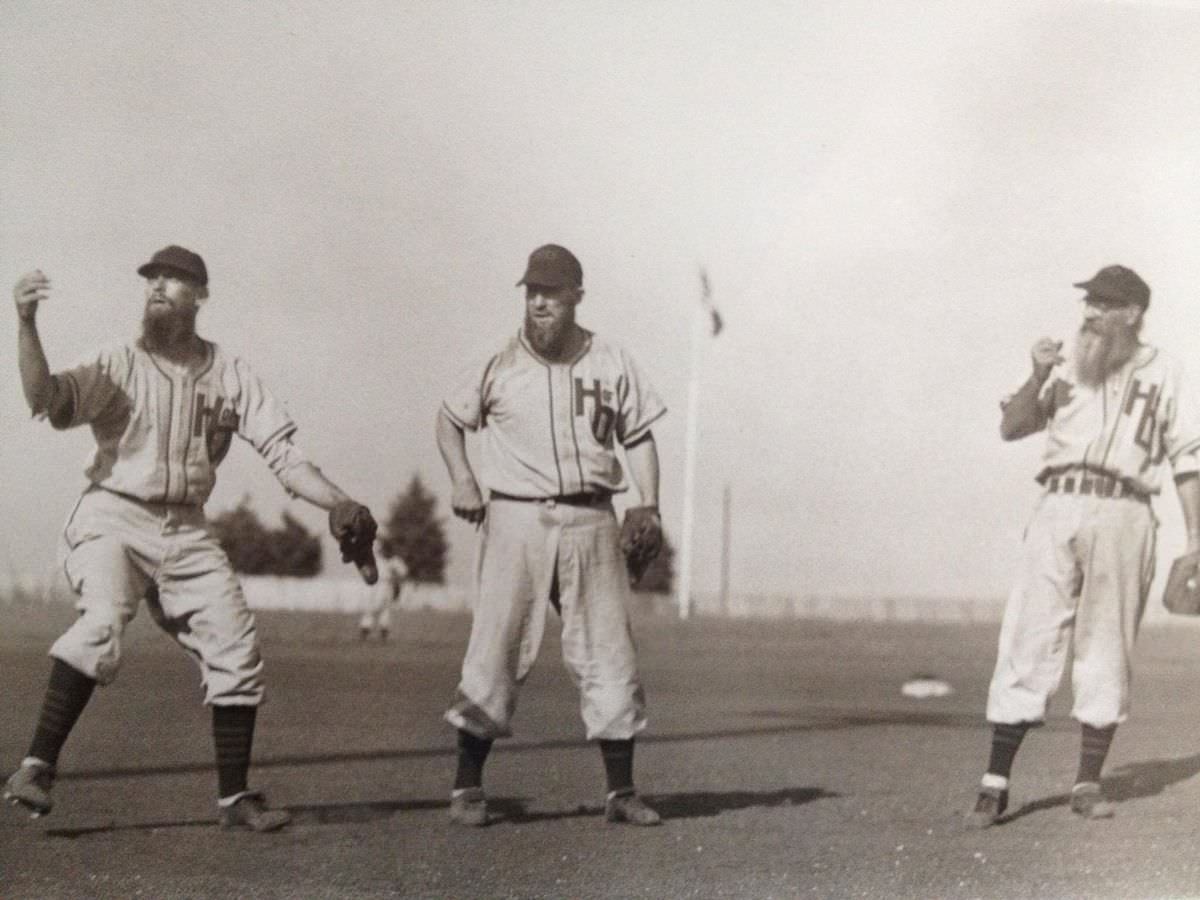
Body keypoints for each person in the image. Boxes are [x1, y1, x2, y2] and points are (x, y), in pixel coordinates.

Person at [4, 246, 379, 832]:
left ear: (200, 295)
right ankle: (36, 767)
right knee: (102, 622)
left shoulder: (230, 374)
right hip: (112, 515)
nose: (157, 286)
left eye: (173, 279)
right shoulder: (118, 361)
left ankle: (235, 799)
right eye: (151, 278)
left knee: (237, 647)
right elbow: (44, 399)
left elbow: (284, 454)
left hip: (186, 527)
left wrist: (341, 501)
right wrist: (26, 325)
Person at [435, 244, 667, 827]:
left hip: (593, 517)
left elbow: (638, 437)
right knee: (496, 647)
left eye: (552, 293)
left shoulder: (612, 360)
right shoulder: (498, 360)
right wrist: (463, 478)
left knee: (609, 650)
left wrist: (650, 503)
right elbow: (448, 419)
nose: (538, 302)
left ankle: (622, 792)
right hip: (516, 516)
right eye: (531, 292)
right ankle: (467, 787)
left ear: (576, 298)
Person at [967, 264, 1200, 828]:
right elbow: (1012, 427)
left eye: (1103, 303)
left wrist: (1196, 540)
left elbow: (1187, 458)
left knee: (1107, 647)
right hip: (1059, 501)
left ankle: (1088, 782)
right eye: (1088, 302)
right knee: (1030, 632)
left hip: (1127, 510)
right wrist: (1034, 375)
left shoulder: (1167, 370)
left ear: (1132, 313)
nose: (1090, 312)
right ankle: (994, 782)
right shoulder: (1063, 365)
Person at [359, 548, 408, 641]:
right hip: (375, 585)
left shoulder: (395, 561)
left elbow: (403, 573)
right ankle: (366, 630)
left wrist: (395, 577)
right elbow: (365, 570)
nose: (384, 551)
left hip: (386, 585)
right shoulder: (376, 560)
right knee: (371, 608)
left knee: (384, 609)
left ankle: (382, 632)